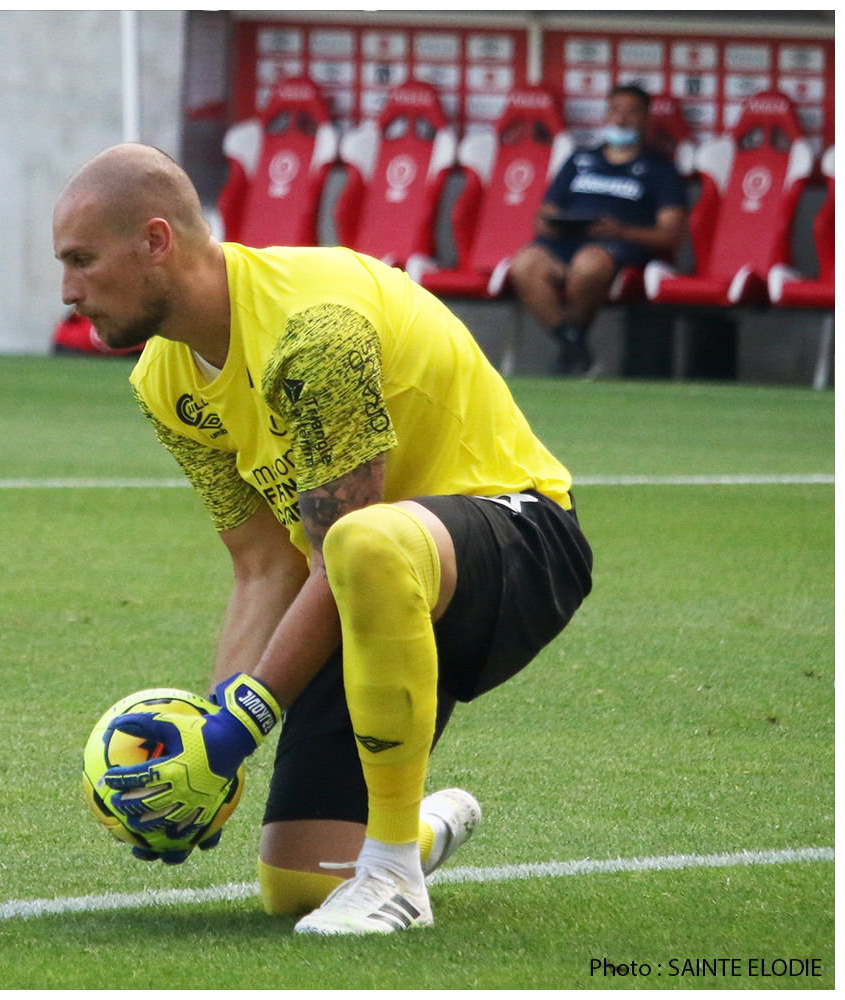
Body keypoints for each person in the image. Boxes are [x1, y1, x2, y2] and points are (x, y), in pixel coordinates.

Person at [52, 143, 593, 935]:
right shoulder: (162, 381)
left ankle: (395, 876)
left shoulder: (316, 331)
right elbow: (265, 566)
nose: (68, 291)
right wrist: (211, 743)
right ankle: (417, 832)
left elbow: (344, 546)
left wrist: (241, 725)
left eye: (82, 260)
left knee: (363, 544)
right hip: (372, 590)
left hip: (519, 539)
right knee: (298, 885)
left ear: (156, 241)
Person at [508, 84, 688, 376]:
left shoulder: (661, 169)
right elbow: (544, 213)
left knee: (587, 265)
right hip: (563, 241)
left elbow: (671, 235)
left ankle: (572, 352)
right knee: (524, 264)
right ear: (605, 115)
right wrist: (549, 224)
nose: (621, 119)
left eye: (631, 112)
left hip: (617, 246)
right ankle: (574, 346)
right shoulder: (579, 160)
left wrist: (621, 232)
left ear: (646, 119)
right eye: (614, 110)